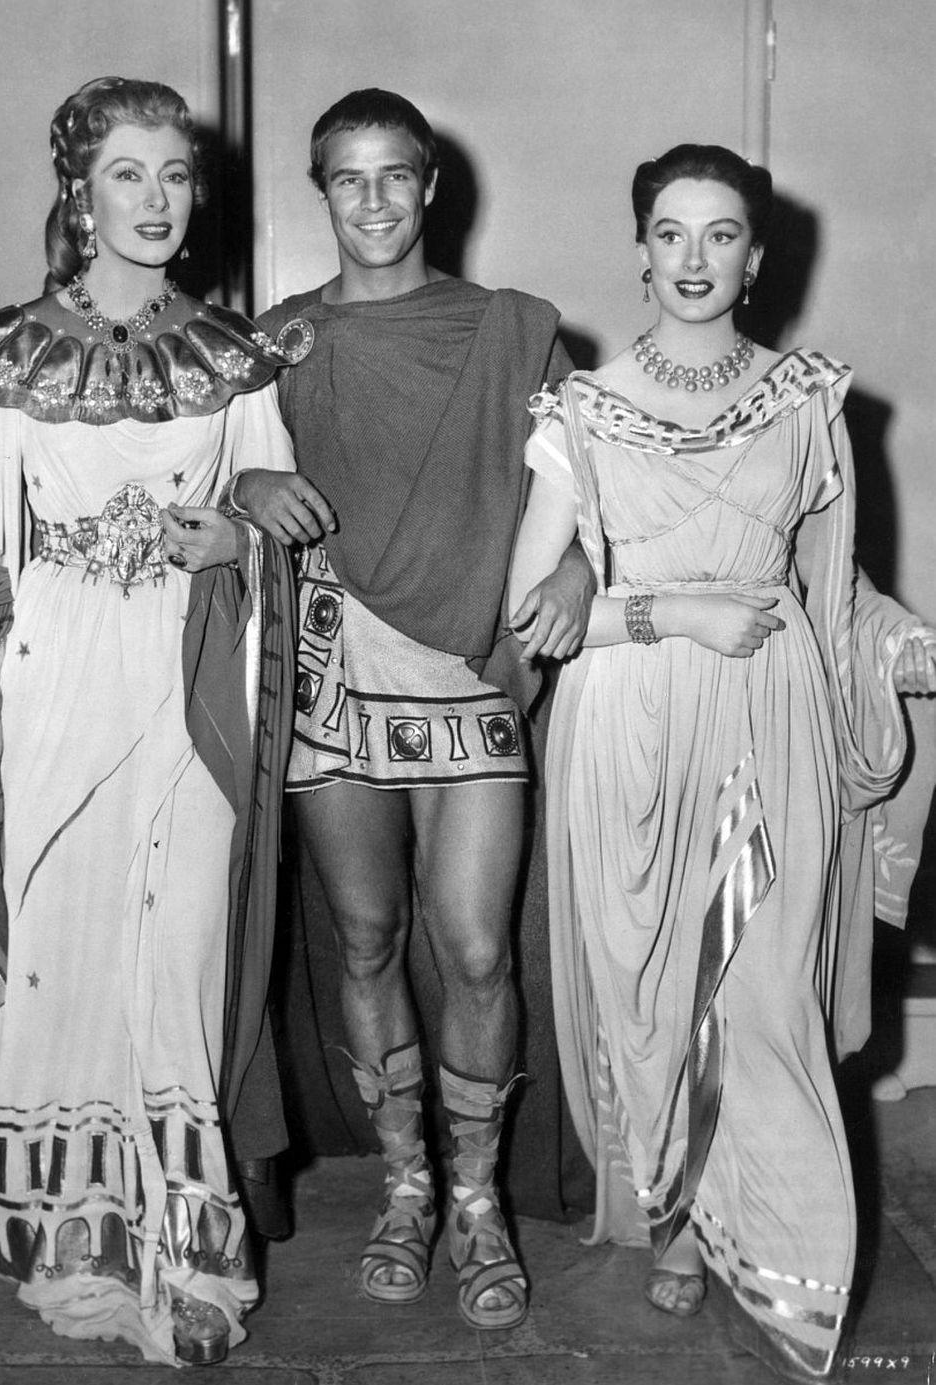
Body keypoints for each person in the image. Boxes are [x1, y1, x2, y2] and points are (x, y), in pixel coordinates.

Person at [0, 76, 310, 1365]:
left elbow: (270, 506)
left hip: (186, 683)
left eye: (177, 176)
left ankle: (187, 1245)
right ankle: (77, 1232)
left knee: (175, 952)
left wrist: (237, 526)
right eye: (130, 174)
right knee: (56, 951)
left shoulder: (234, 354)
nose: (158, 202)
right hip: (52, 672)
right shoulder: (10, 352)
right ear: (78, 189)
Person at [509, 144, 936, 1382]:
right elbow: (533, 609)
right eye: (672, 232)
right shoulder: (580, 412)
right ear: (638, 249)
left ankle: (794, 1256)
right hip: (632, 717)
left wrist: (902, 639)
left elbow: (831, 584)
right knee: (655, 1002)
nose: (695, 259)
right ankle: (682, 1217)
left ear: (758, 256)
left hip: (775, 714)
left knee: (765, 993)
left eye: (723, 233)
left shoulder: (807, 401)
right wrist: (671, 614)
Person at [233, 89, 593, 1330]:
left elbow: (593, 485)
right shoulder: (272, 343)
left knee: (477, 946)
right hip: (336, 679)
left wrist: (579, 569)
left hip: (466, 675)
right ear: (319, 191)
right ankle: (405, 1188)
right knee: (369, 939)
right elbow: (195, 470)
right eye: (349, 179)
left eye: (397, 176)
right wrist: (251, 469)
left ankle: (479, 1195)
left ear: (434, 184)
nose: (375, 201)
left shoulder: (515, 328)